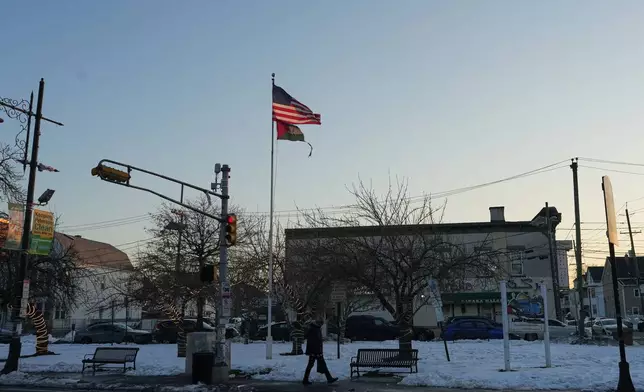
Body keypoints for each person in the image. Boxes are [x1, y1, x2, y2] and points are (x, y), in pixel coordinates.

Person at [303, 319, 338, 385]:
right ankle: (329, 378)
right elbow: (313, 342)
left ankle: (329, 378)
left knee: (313, 365)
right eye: (321, 324)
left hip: (316, 351)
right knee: (312, 365)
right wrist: (316, 352)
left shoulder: (315, 329)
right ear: (318, 323)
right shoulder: (314, 329)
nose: (321, 325)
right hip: (315, 351)